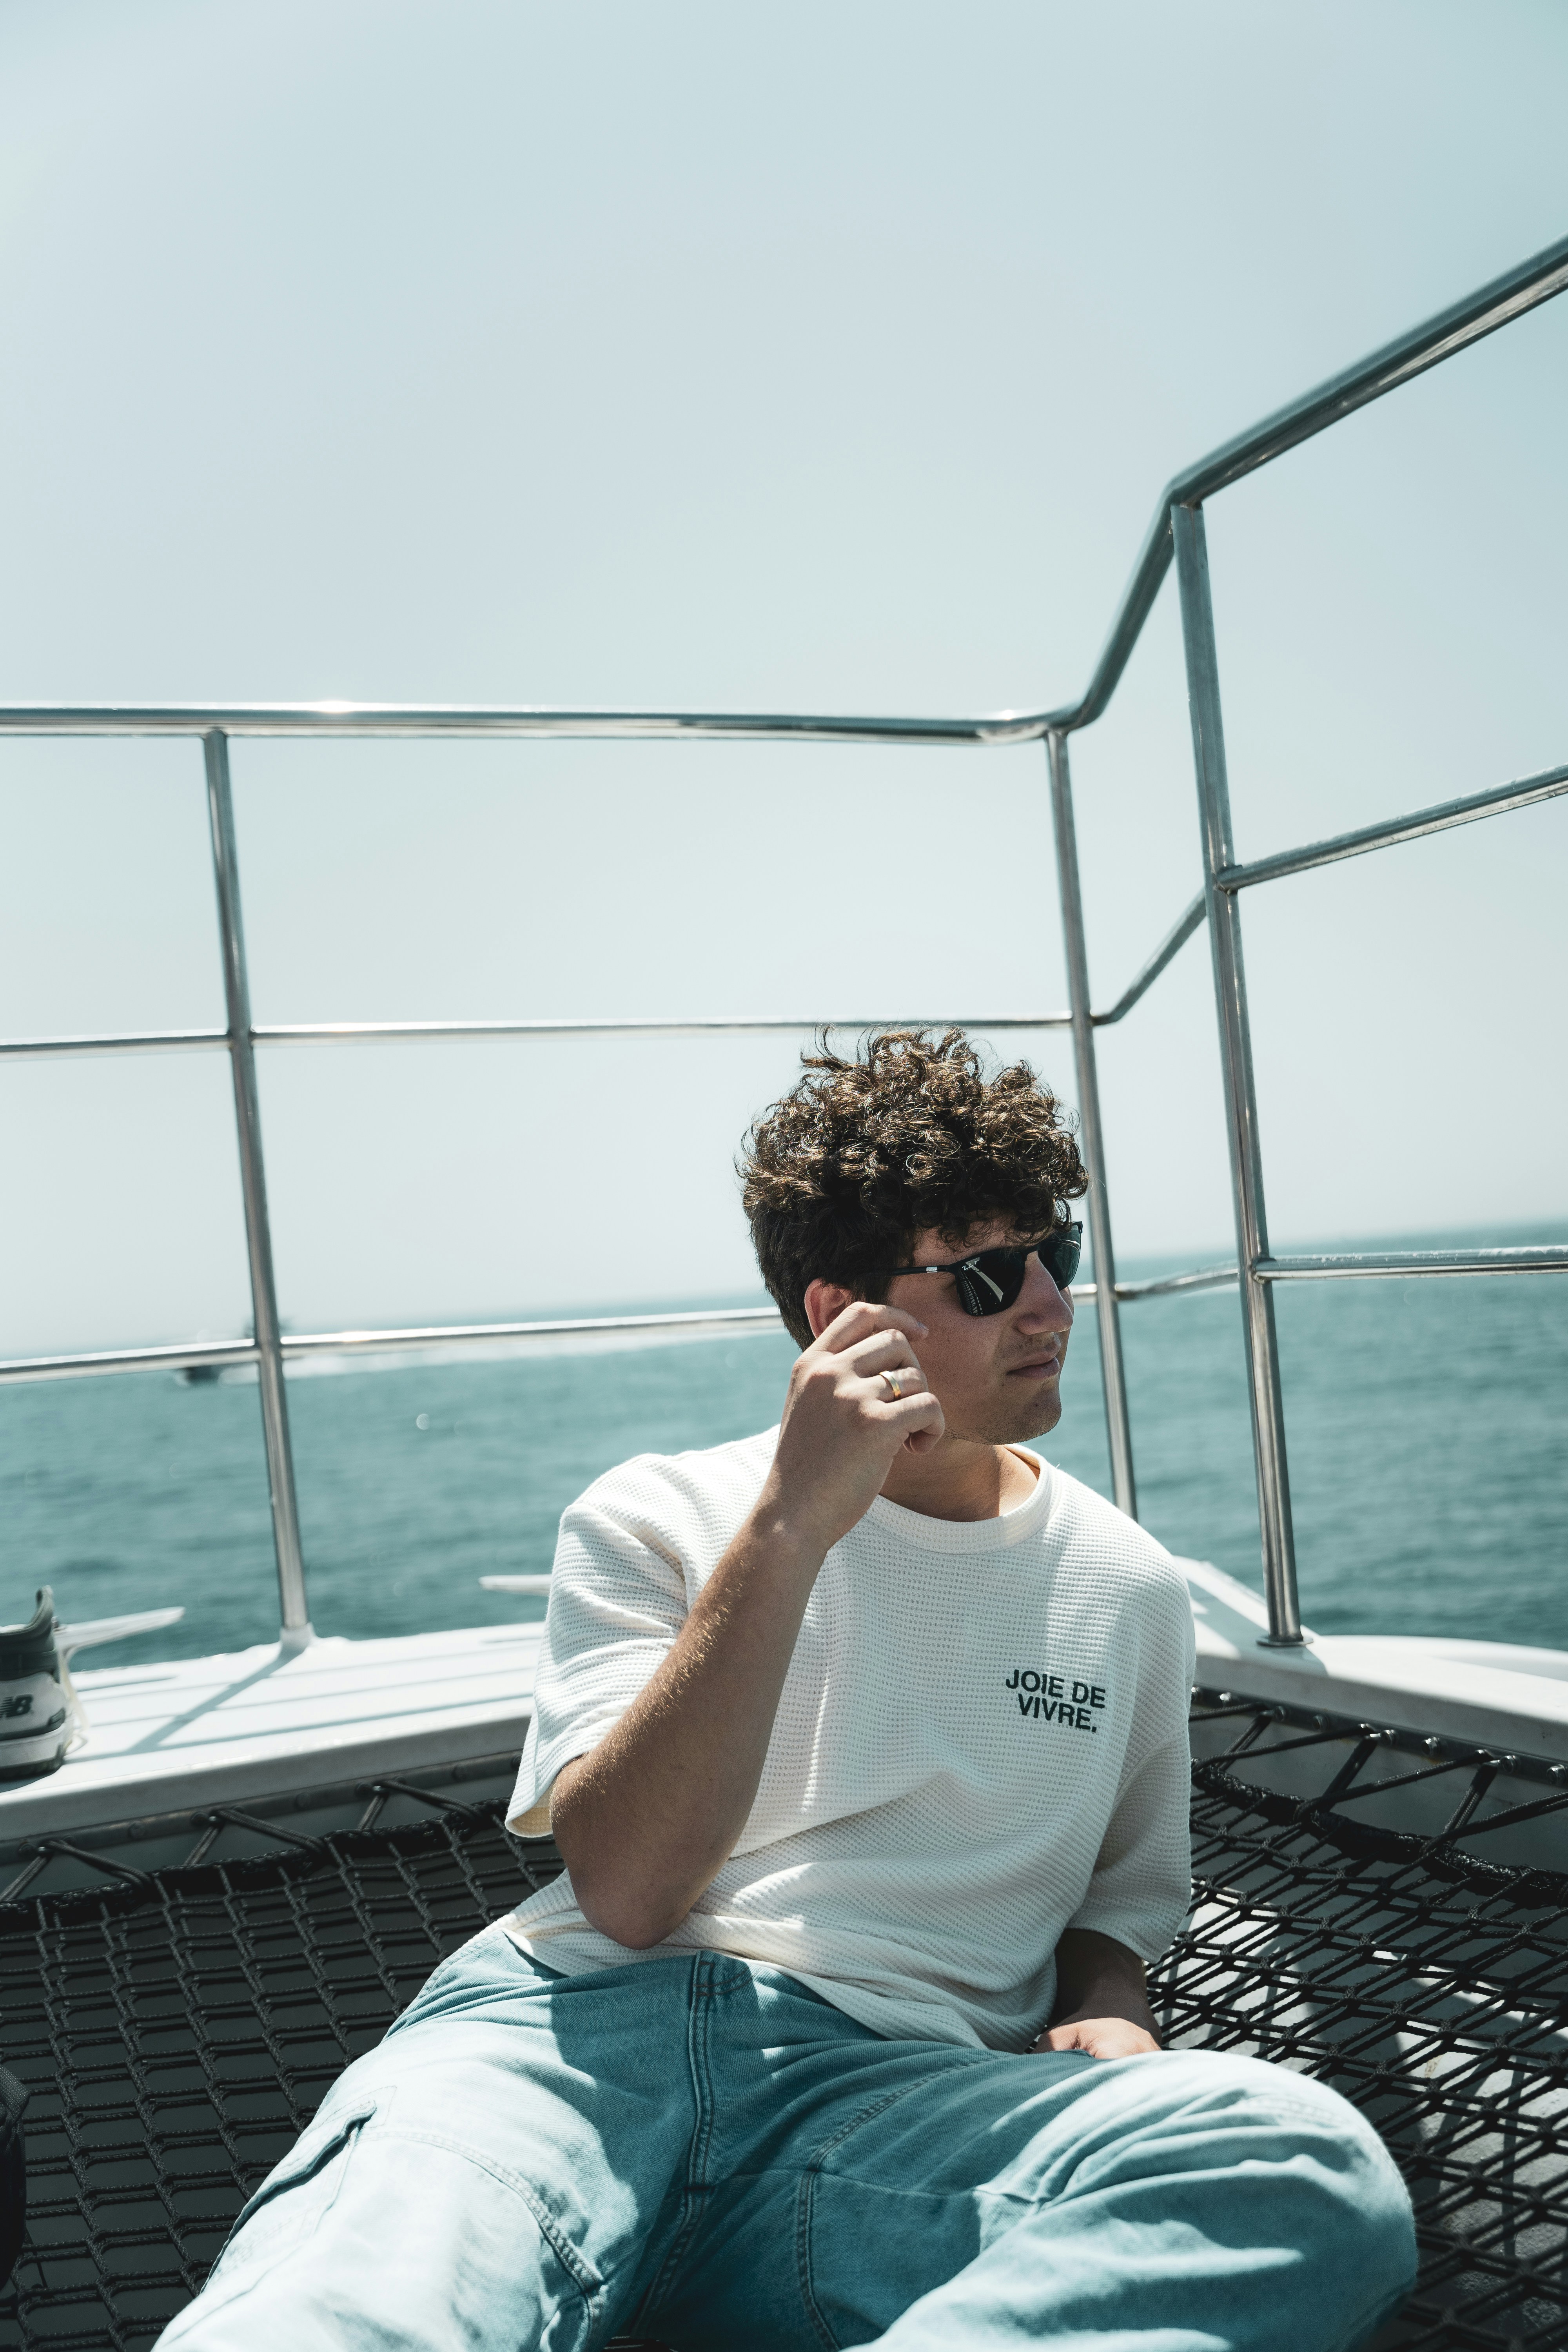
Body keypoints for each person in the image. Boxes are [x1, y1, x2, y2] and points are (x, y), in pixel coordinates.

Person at [160, 1030, 1416, 2352]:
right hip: (570, 2049)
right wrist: (790, 1531)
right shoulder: (657, 1516)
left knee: (1309, 2169)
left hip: (896, 2107)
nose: (1051, 1306)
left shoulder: (1131, 1589)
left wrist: (1110, 2000)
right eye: (991, 1275)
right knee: (346, 2313)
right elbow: (632, 1893)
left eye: (1061, 1255)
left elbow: (1119, 1900)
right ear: (839, 1317)